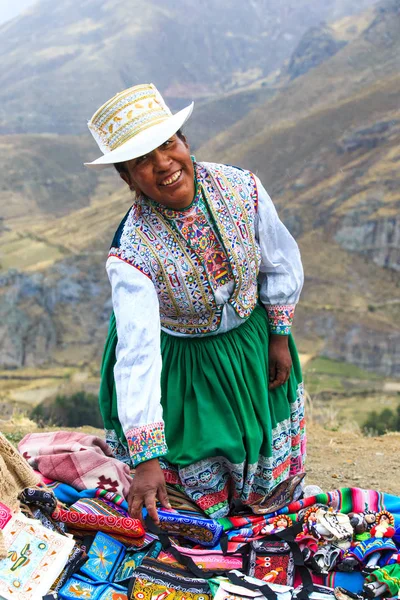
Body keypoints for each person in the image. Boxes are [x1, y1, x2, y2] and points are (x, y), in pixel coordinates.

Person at [85, 83, 306, 524]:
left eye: (167, 145)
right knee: (198, 507)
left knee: (265, 479)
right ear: (128, 178)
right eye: (141, 161)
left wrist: (279, 335)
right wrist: (146, 458)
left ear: (184, 142)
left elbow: (279, 259)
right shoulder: (133, 253)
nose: (163, 164)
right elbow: (138, 353)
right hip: (183, 368)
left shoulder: (242, 188)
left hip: (251, 345)